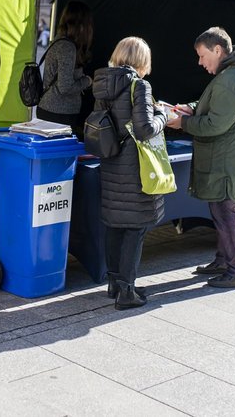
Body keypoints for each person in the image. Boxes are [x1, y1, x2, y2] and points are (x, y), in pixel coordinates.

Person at [166, 27, 235, 289]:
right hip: (230, 156)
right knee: (221, 211)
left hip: (228, 159)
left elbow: (213, 124)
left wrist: (183, 123)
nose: (200, 62)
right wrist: (191, 108)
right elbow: (216, 105)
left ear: (218, 50)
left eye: (202, 55)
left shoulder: (231, 79)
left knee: (225, 212)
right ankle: (224, 261)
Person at [92, 37, 167, 310]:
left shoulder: (102, 84)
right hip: (135, 166)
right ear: (141, 60)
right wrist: (163, 117)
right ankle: (127, 291)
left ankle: (114, 284)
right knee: (135, 228)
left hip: (111, 163)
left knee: (115, 224)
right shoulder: (140, 86)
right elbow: (145, 129)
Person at [37, 1, 93, 138]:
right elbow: (65, 87)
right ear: (81, 25)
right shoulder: (67, 47)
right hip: (58, 114)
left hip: (54, 110)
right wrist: (87, 81)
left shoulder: (60, 41)